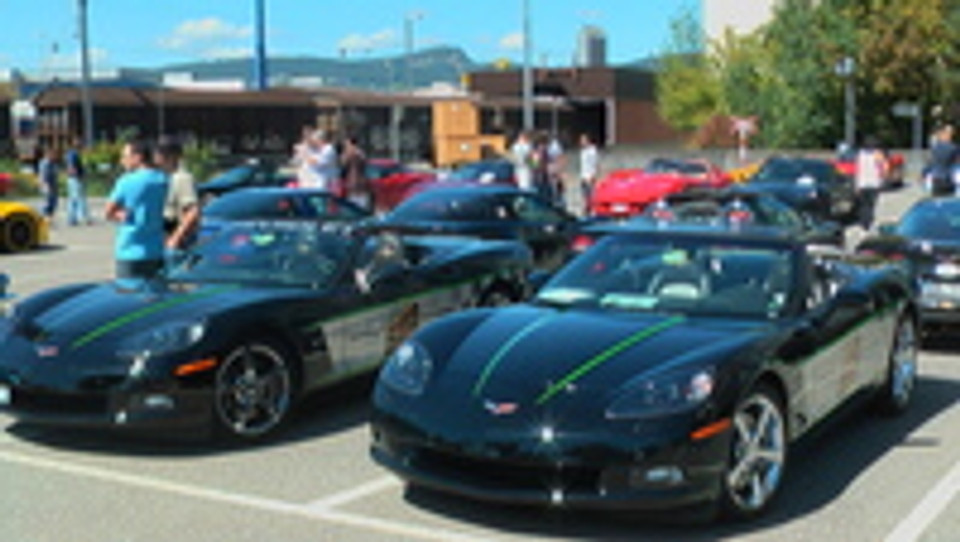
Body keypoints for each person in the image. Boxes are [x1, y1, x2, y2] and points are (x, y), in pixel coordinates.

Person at [104, 139, 169, 280]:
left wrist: (120, 215)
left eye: (125, 157)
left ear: (138, 157)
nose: (122, 161)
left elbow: (109, 211)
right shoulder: (163, 179)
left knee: (128, 297)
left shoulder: (127, 181)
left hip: (130, 250)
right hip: (155, 250)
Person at [155, 136, 199, 251]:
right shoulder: (163, 177)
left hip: (178, 240)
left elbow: (192, 212)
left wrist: (176, 238)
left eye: (159, 154)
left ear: (170, 157)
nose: (155, 158)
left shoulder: (182, 178)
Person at [854, 135, 888, 232]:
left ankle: (864, 223)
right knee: (871, 204)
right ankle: (869, 222)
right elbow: (884, 167)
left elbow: (858, 170)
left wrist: (856, 184)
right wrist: (883, 178)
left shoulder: (860, 154)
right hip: (874, 183)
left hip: (862, 183)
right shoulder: (877, 154)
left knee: (863, 204)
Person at [64, 137, 92, 226]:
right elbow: (71, 167)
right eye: (80, 143)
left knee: (73, 199)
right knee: (80, 198)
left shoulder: (72, 154)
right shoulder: (73, 154)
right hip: (75, 179)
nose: (81, 145)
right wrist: (78, 176)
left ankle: (72, 219)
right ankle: (84, 218)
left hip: (73, 179)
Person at [341, 136, 371, 209]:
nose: (346, 147)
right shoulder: (354, 154)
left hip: (358, 185)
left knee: (359, 206)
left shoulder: (357, 154)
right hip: (353, 185)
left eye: (347, 145)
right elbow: (343, 163)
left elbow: (344, 162)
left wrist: (349, 152)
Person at [928, 124, 958, 197]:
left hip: (936, 179)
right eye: (950, 134)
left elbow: (931, 160)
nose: (951, 136)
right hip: (948, 180)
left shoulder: (934, 147)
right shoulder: (953, 148)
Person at [37, 145, 60, 223]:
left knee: (53, 204)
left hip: (53, 186)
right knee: (47, 204)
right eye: (54, 154)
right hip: (47, 186)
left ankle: (49, 221)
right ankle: (42, 220)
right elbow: (43, 176)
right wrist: (44, 186)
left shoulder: (53, 163)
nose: (56, 156)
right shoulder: (45, 163)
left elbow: (55, 174)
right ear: (49, 154)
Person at [579, 133, 599, 216]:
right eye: (581, 140)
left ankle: (590, 210)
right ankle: (586, 209)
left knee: (590, 195)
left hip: (589, 177)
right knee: (584, 195)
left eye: (583, 140)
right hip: (583, 176)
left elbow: (595, 164)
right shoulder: (583, 151)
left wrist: (592, 176)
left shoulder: (592, 151)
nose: (581, 142)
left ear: (588, 141)